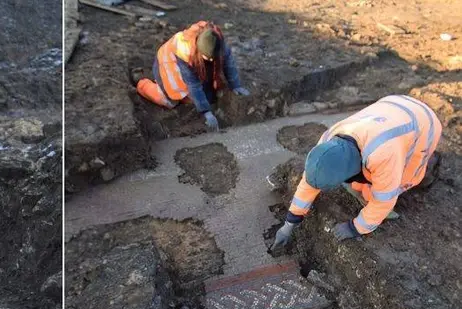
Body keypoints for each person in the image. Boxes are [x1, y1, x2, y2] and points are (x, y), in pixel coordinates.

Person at [272, 94, 442, 247]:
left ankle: (431, 168)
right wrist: (289, 225)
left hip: (423, 122)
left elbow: (383, 200)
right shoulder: (327, 142)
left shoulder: (384, 156)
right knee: (364, 185)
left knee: (403, 179)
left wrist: (355, 227)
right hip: (391, 105)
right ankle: (365, 186)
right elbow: (308, 185)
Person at [130, 20, 250, 131]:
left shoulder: (217, 42)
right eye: (207, 57)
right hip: (169, 62)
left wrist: (236, 86)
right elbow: (193, 84)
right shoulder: (185, 52)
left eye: (212, 57)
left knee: (210, 95)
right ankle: (142, 82)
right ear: (199, 49)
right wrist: (206, 112)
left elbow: (228, 63)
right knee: (170, 100)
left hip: (195, 61)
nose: (211, 59)